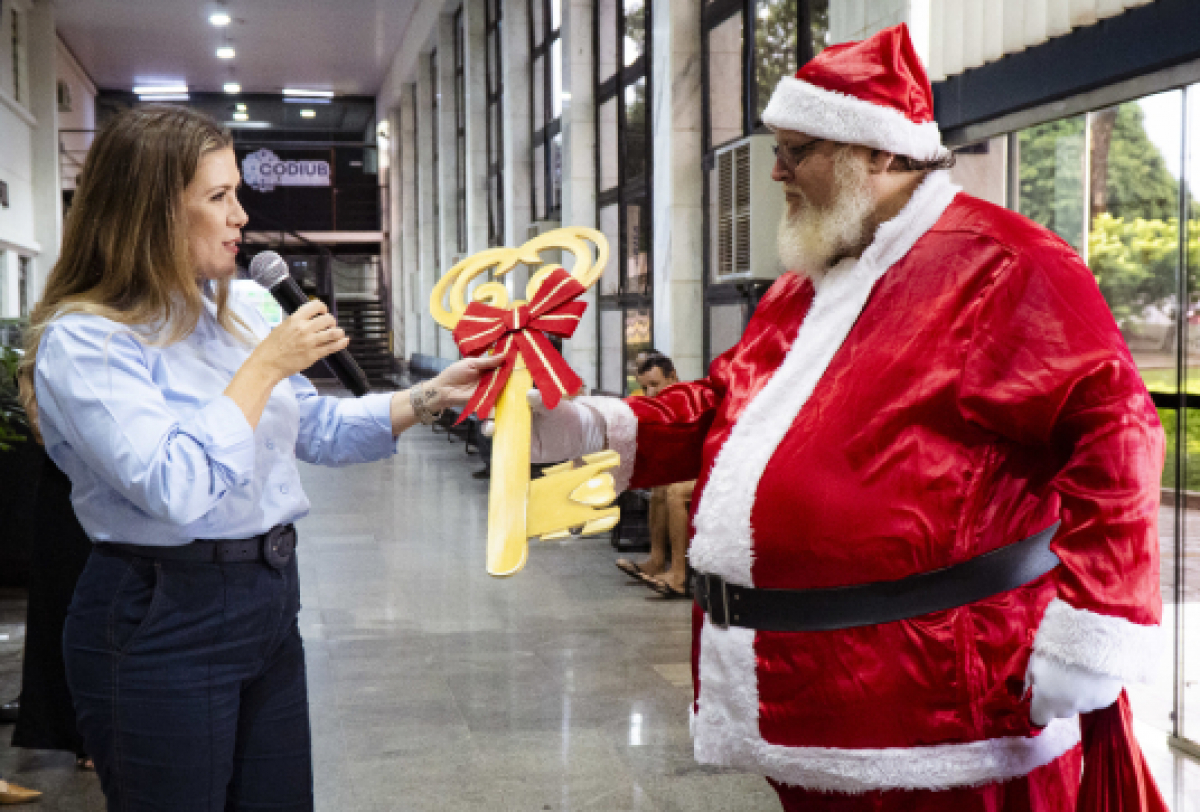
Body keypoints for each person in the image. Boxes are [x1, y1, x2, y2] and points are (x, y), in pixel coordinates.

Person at [528, 24, 1164, 811]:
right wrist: (589, 424)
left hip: (944, 705)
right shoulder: (808, 283)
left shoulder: (1007, 263)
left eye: (798, 149)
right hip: (804, 695)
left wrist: (1093, 626)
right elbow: (730, 408)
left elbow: (1117, 433)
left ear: (882, 153)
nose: (776, 169)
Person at [18, 105, 501, 812]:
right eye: (218, 198)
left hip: (268, 597)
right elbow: (174, 485)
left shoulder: (241, 305)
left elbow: (322, 430)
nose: (241, 216)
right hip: (160, 612)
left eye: (238, 192)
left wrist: (431, 395)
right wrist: (264, 367)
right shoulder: (88, 340)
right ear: (150, 213)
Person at [614, 354, 695, 598]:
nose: (650, 393)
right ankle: (657, 561)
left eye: (656, 385)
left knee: (675, 491)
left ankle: (679, 575)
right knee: (660, 486)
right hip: (694, 465)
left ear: (673, 376)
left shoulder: (690, 399)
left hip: (713, 466)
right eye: (645, 387)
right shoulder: (662, 405)